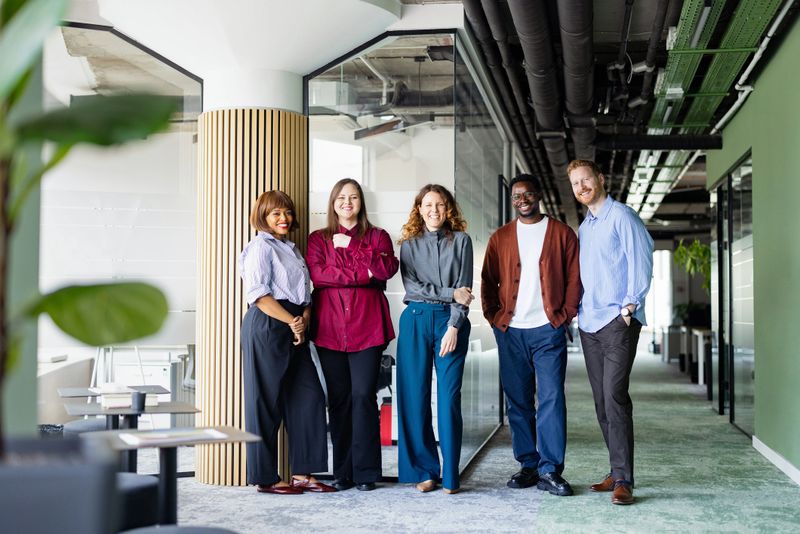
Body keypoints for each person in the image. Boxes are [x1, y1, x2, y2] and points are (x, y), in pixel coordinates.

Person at [481, 174, 581, 497]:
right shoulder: (501, 238)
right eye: (516, 195)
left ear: (538, 195)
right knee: (518, 401)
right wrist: (496, 318)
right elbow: (487, 281)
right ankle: (528, 464)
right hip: (511, 331)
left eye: (527, 193)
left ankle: (550, 469)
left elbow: (574, 280)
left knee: (552, 397)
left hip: (547, 330)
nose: (521, 199)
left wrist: (562, 317)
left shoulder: (562, 234)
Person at [567, 159, 654, 505]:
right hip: (589, 323)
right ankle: (616, 469)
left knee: (615, 396)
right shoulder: (586, 226)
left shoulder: (622, 216)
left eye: (586, 180)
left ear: (600, 179)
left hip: (618, 322)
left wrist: (629, 307)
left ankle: (624, 481)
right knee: (602, 402)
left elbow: (641, 260)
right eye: (575, 184)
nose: (582, 187)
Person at [238, 190, 335, 495]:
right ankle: (265, 477)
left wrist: (303, 319)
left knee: (309, 396)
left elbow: (305, 293)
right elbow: (258, 294)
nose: (283, 219)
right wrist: (291, 321)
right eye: (275, 214)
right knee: (264, 401)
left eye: (287, 213)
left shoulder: (291, 249)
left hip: (297, 324)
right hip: (268, 323)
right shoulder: (259, 247)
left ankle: (304, 473)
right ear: (263, 217)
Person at [306, 178, 399, 492]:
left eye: (354, 197)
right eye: (341, 197)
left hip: (368, 328)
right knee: (340, 400)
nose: (347, 202)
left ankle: (366, 472)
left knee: (362, 397)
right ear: (333, 203)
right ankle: (342, 471)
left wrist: (353, 249)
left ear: (361, 202)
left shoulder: (378, 236)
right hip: (330, 329)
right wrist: (364, 275)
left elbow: (386, 270)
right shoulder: (318, 239)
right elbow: (319, 275)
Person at [396, 184, 474, 495]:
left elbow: (464, 288)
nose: (434, 210)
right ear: (419, 209)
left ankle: (451, 476)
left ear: (448, 209)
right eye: (428, 205)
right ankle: (424, 470)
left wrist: (454, 325)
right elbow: (412, 289)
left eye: (440, 204)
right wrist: (449, 293)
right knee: (414, 397)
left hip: (450, 322)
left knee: (448, 399)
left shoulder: (463, 241)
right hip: (415, 320)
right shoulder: (408, 245)